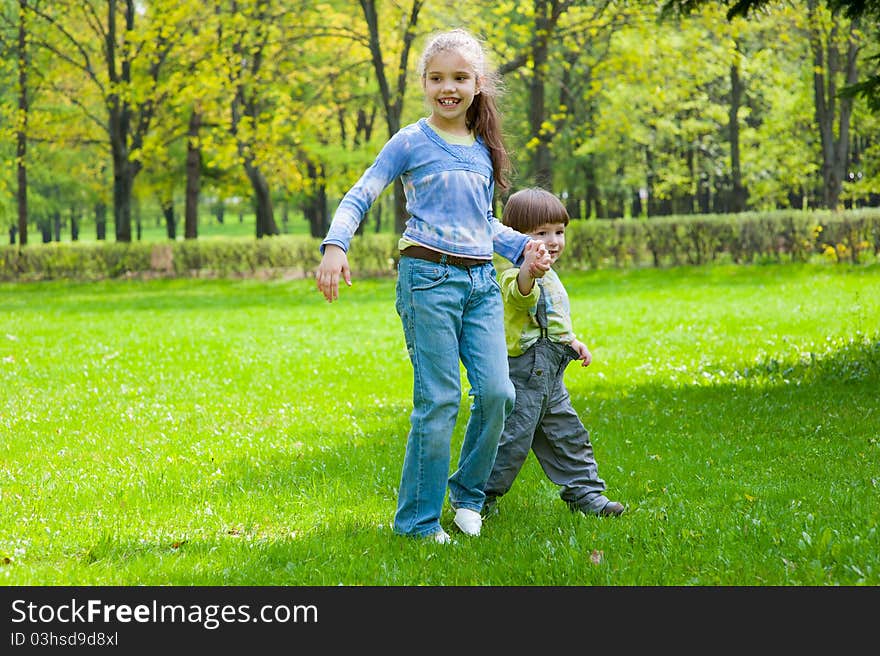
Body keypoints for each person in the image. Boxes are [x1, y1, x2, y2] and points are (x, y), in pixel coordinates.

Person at [315, 29, 549, 543]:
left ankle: (468, 494)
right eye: (438, 78)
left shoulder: (484, 148)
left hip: (481, 285)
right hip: (429, 281)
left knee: (496, 393)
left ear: (478, 83)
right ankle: (417, 523)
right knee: (440, 400)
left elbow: (482, 225)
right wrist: (336, 245)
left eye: (460, 78)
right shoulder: (411, 141)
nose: (449, 87)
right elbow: (363, 192)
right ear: (423, 82)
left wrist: (523, 248)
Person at [482, 187, 625, 519]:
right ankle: (477, 498)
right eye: (541, 233)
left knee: (570, 435)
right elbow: (521, 297)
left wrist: (571, 341)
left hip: (552, 374)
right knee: (510, 442)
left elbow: (554, 319)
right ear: (514, 237)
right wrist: (528, 273)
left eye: (559, 232)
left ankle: (586, 494)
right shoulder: (510, 272)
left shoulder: (552, 274)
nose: (554, 241)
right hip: (523, 373)